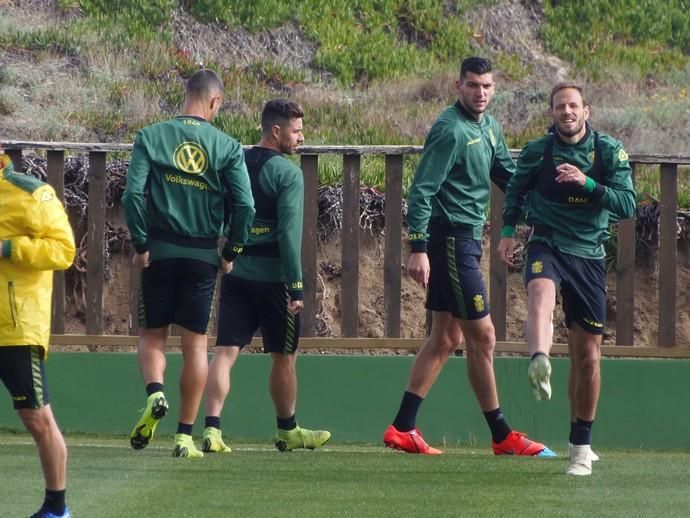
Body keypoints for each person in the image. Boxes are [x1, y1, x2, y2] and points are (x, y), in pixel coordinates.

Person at [383, 57, 554, 457]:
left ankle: (402, 427)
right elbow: (422, 190)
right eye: (473, 85)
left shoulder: (490, 127)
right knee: (484, 336)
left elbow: (507, 178)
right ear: (458, 86)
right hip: (451, 240)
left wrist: (546, 198)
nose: (481, 93)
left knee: (444, 337)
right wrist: (418, 248)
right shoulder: (449, 130)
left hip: (467, 239)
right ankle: (502, 436)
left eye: (487, 86)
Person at [497, 82, 635, 475]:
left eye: (573, 106)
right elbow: (516, 190)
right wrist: (508, 231)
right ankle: (539, 360)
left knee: (588, 356)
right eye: (560, 106)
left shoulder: (608, 151)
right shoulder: (538, 151)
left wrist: (586, 183)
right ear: (552, 113)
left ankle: (580, 447)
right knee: (540, 296)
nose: (567, 112)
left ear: (586, 111)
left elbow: (627, 203)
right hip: (547, 242)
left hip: (589, 254)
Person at [122, 69, 255, 458]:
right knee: (196, 345)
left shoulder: (151, 136)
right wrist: (231, 253)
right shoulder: (227, 146)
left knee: (151, 337)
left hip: (160, 250)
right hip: (202, 255)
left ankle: (155, 394)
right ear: (215, 102)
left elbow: (132, 196)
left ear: (187, 95)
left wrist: (141, 244)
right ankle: (184, 437)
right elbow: (245, 206)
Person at [201, 99, 330, 454]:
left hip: (236, 273)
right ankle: (287, 429)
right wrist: (297, 286)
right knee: (283, 356)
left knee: (225, 352)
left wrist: (228, 254)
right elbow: (289, 237)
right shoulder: (288, 174)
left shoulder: (235, 162)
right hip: (274, 281)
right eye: (297, 129)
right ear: (276, 130)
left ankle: (212, 429)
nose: (301, 137)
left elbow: (223, 215)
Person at [0, 152, 76, 517]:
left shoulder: (31, 193)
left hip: (14, 326)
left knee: (35, 417)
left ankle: (56, 508)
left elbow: (64, 250)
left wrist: (10, 247)